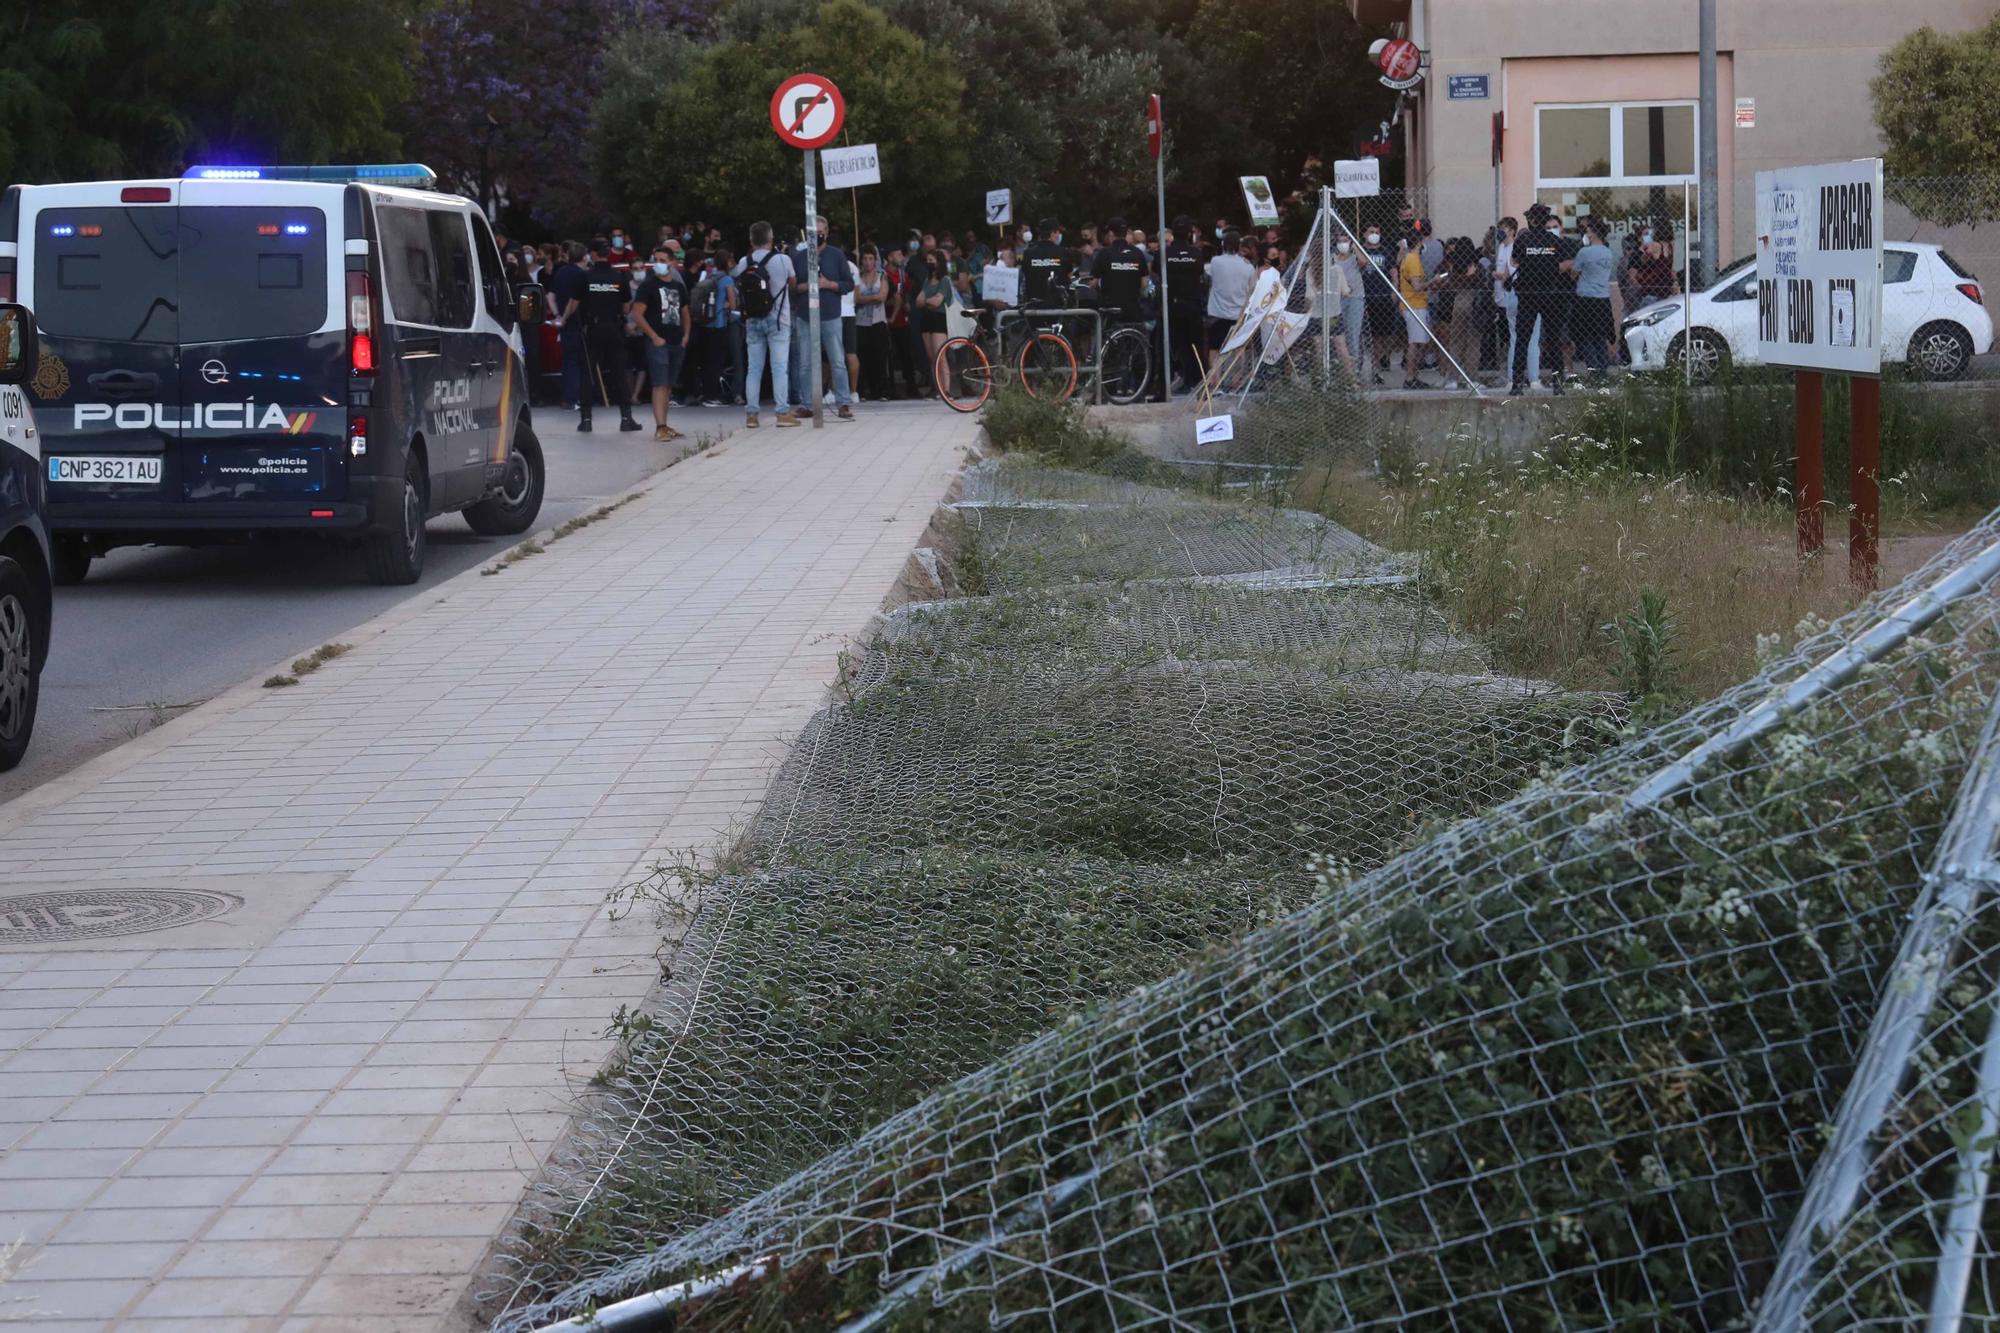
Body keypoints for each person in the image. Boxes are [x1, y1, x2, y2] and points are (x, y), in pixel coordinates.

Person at [788, 215, 857, 420]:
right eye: (812, 234)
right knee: (805, 363)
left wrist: (829, 285)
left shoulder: (836, 256)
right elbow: (791, 288)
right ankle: (807, 404)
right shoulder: (798, 258)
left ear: (826, 233)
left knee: (837, 360)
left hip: (830, 315)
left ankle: (843, 402)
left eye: (819, 233)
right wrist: (805, 286)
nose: (816, 237)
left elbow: (848, 284)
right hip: (805, 316)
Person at [732, 220, 799, 428]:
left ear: (751, 241)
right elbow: (793, 284)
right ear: (770, 239)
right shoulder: (783, 260)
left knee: (754, 368)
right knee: (779, 368)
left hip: (753, 320)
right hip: (778, 320)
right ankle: (782, 412)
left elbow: (737, 286)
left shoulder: (744, 261)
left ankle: (751, 415)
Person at [571, 241, 640, 432]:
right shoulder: (619, 276)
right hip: (614, 328)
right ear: (608, 254)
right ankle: (626, 418)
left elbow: (574, 304)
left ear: (593, 254)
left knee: (587, 373)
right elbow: (626, 308)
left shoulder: (585, 277)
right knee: (619, 372)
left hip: (592, 329)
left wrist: (566, 318)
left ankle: (586, 420)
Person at [1509, 203, 1570, 395]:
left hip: (1528, 295)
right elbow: (1565, 262)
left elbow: (1514, 261)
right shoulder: (1554, 241)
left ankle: (1517, 383)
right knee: (1553, 339)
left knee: (1523, 339)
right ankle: (1558, 384)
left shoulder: (1523, 240)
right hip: (1550, 295)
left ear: (1532, 220)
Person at [632, 245, 690, 442]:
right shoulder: (648, 286)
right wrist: (654, 336)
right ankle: (660, 426)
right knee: (660, 383)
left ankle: (665, 424)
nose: (658, 264)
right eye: (656, 259)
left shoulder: (678, 286)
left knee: (668, 385)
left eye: (663, 261)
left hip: (675, 341)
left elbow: (685, 312)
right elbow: (637, 314)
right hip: (658, 342)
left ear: (672, 263)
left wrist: (685, 336)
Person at [1204, 229, 1256, 373]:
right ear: (1239, 246)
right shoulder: (1248, 267)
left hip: (1217, 314)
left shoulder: (1215, 262)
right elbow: (1251, 290)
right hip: (1238, 315)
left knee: (1214, 348)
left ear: (1223, 244)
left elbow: (1207, 274)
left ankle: (1214, 380)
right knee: (1238, 349)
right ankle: (1236, 382)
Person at [1163, 216, 1205, 392]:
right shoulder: (1196, 253)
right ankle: (1196, 380)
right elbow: (1200, 273)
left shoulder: (1165, 254)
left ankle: (1182, 377)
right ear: (1189, 233)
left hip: (1172, 306)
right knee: (1195, 344)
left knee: (1177, 344)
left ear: (1172, 233)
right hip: (1193, 306)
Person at [1570, 218, 1615, 379]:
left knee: (1586, 337)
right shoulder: (1608, 252)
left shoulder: (1584, 252)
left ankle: (1594, 370)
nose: (1586, 234)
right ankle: (1603, 371)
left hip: (1586, 299)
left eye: (1588, 231)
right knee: (1600, 337)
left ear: (1594, 233)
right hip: (1602, 298)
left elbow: (1574, 273)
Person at [550, 241, 590, 410]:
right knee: (580, 363)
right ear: (584, 257)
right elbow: (574, 302)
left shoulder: (560, 272)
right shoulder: (582, 275)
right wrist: (565, 316)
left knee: (568, 362)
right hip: (578, 323)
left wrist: (557, 315)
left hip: (565, 325)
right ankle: (576, 398)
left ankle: (567, 398)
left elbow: (550, 295)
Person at [1359, 224, 1399, 386]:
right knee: (1364, 336)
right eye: (1371, 232)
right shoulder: (1360, 251)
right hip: (1365, 298)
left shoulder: (1386, 251)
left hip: (1383, 298)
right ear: (1364, 234)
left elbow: (1393, 272)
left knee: (1384, 336)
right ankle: (1365, 368)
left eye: (1377, 232)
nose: (1374, 235)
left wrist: (1395, 290)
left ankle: (1376, 365)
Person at [699, 249, 737, 407]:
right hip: (719, 323)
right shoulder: (727, 279)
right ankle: (713, 396)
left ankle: (706, 393)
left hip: (706, 323)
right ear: (727, 262)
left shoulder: (709, 276)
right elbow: (733, 303)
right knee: (717, 362)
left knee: (708, 360)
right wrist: (726, 305)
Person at [1091, 216, 1146, 321]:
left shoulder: (1104, 253)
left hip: (1110, 309)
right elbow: (1144, 284)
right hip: (1132, 308)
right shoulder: (1137, 253)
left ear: (1111, 233)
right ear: (1126, 233)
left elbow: (1093, 282)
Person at [854, 247, 891, 401]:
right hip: (861, 323)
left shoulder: (882, 276)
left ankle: (882, 391)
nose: (868, 262)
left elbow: (883, 296)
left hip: (878, 321)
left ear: (875, 260)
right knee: (863, 358)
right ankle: (864, 390)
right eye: (865, 259)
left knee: (880, 357)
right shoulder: (857, 277)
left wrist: (866, 299)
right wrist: (873, 297)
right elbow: (856, 299)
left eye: (871, 258)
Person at [1396, 234, 1431, 389]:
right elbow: (1417, 286)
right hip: (1414, 305)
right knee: (1415, 343)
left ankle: (1413, 376)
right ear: (1419, 243)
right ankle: (1410, 378)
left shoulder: (1406, 258)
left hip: (1412, 304)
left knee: (1418, 342)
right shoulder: (1413, 259)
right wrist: (1434, 280)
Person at [918, 248, 953, 378]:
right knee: (931, 356)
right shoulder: (927, 281)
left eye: (931, 261)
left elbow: (937, 301)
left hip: (939, 318)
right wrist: (928, 301)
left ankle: (946, 389)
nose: (928, 263)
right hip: (927, 318)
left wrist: (926, 301)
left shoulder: (945, 280)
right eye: (927, 261)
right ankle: (937, 387)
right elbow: (917, 301)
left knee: (940, 355)